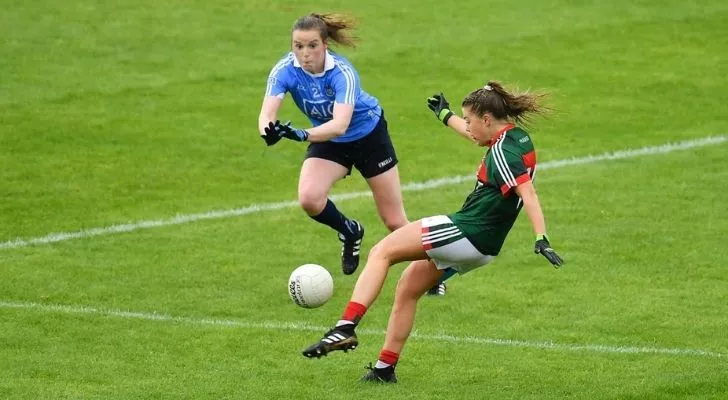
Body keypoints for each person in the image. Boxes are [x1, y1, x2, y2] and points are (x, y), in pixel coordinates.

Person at [300, 81, 565, 383]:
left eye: (470, 120)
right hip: (484, 248)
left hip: (466, 231)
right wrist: (446, 116)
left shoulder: (504, 154)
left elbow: (527, 194)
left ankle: (345, 327)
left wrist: (541, 238)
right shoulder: (516, 137)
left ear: (487, 119)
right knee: (408, 288)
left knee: (381, 252)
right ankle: (384, 370)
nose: (468, 127)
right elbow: (476, 136)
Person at [258, 12, 447, 295]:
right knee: (309, 198)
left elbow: (340, 124)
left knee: (395, 222)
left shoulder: (342, 72)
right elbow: (267, 113)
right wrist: (268, 131)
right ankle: (350, 231)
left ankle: (435, 274)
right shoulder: (284, 70)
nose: (305, 54)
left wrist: (302, 134)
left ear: (325, 45)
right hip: (330, 142)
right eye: (298, 46)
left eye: (312, 46)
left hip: (368, 136)